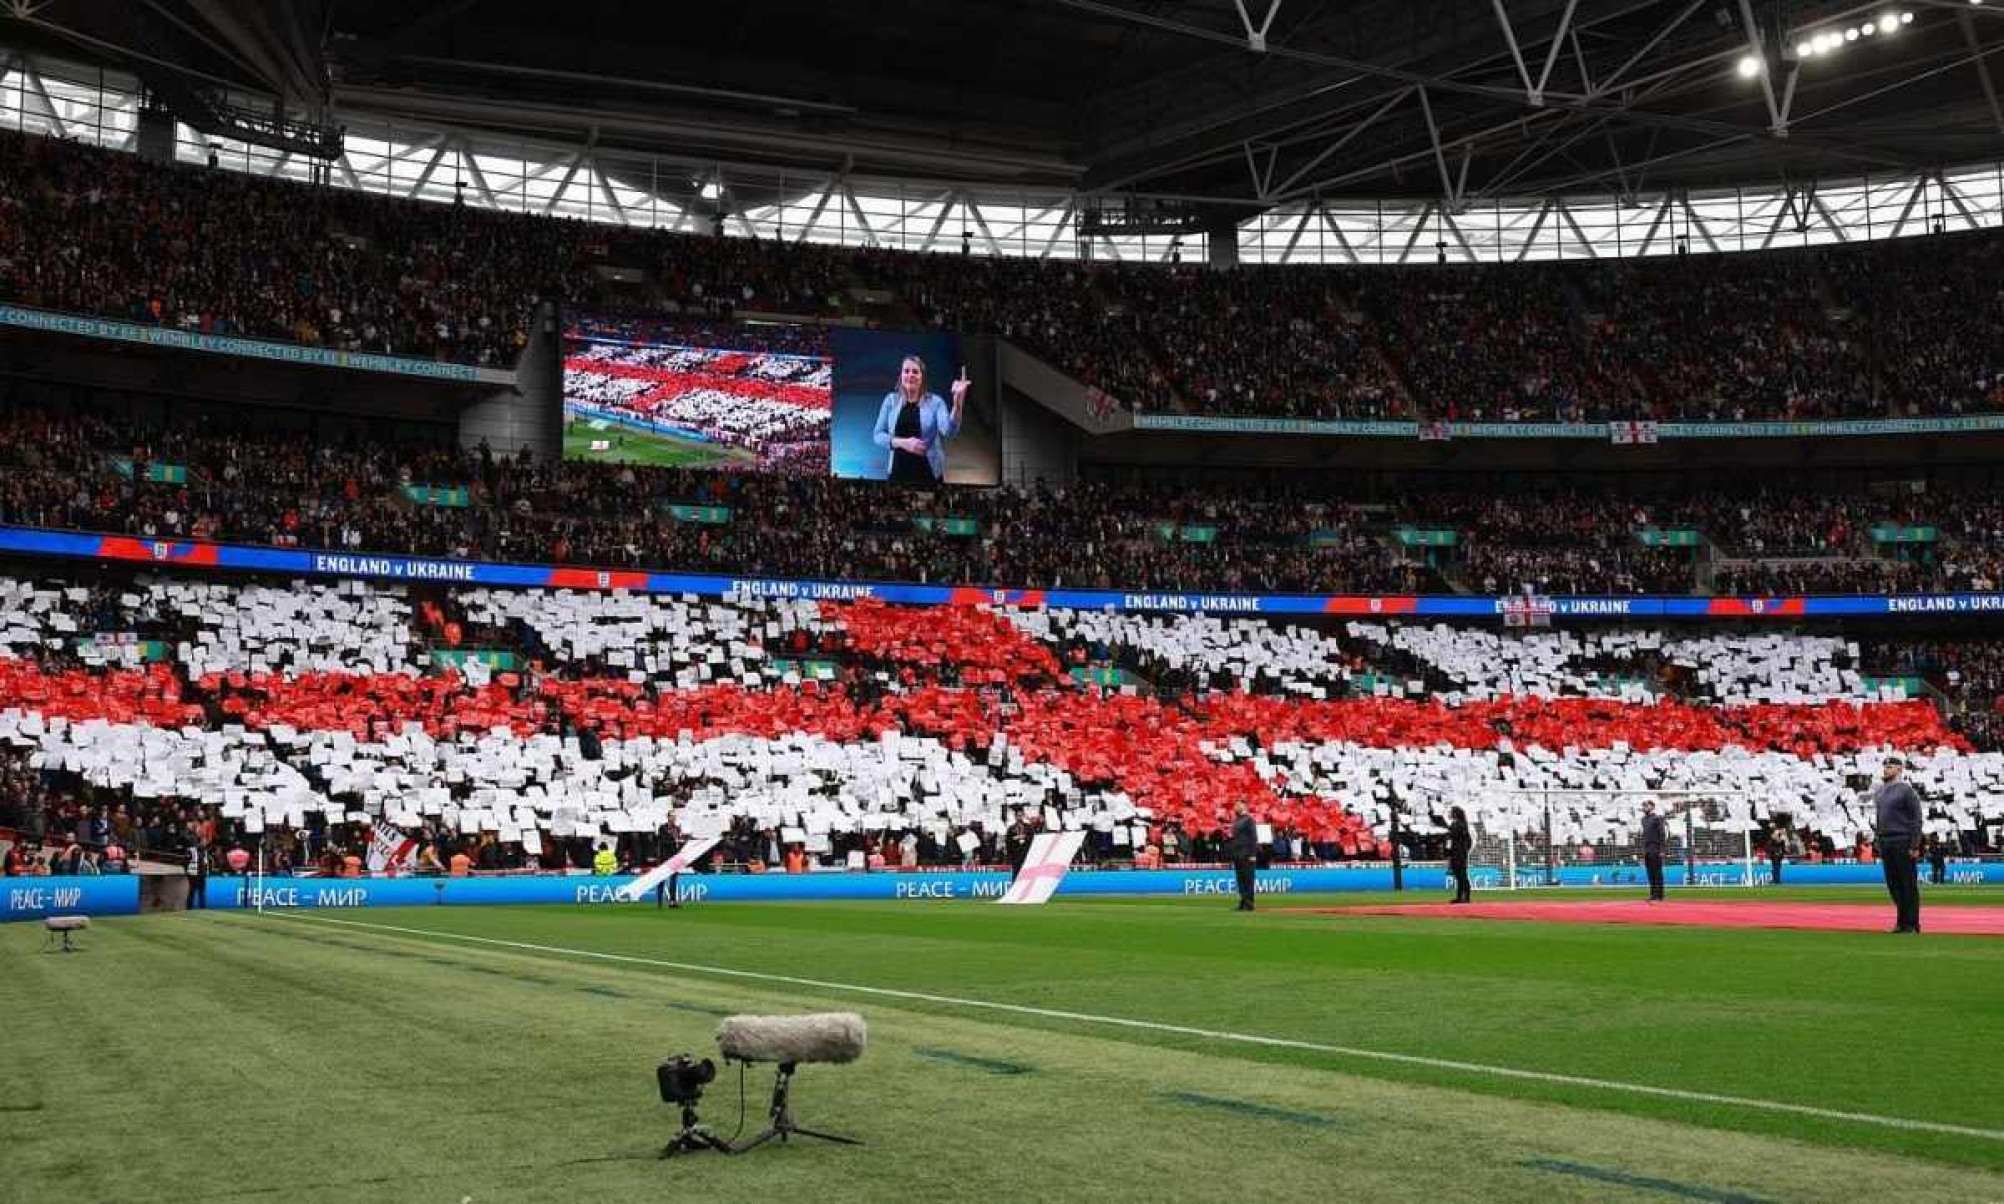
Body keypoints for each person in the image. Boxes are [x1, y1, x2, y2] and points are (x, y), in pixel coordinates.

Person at [871, 356, 968, 483]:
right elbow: (877, 435)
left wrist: (957, 404)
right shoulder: (891, 400)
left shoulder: (936, 402)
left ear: (922, 377)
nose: (910, 375)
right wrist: (903, 443)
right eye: (906, 371)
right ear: (901, 376)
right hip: (897, 471)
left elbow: (949, 431)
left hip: (928, 472)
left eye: (915, 372)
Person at [1872, 756, 1923, 933]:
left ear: (1900, 769)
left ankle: (1912, 923)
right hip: (1886, 841)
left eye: (1890, 766)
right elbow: (1879, 820)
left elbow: (1916, 819)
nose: (1886, 769)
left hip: (1902, 839)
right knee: (1893, 884)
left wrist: (1915, 844)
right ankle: (1901, 921)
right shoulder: (1880, 792)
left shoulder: (1906, 791)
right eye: (1885, 765)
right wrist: (1878, 840)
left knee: (1907, 883)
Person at [1228, 801, 1258, 912]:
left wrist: (1252, 854)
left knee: (1248, 879)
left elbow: (1253, 838)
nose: (1235, 807)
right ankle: (1243, 900)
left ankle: (1249, 903)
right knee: (1240, 879)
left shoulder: (1249, 820)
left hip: (1247, 854)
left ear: (1244, 807)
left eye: (1237, 805)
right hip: (1238, 855)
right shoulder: (1237, 820)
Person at [1640, 800, 1667, 902]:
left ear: (1652, 807)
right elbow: (1644, 836)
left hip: (1655, 848)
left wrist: (1662, 849)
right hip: (1647, 849)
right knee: (1650, 872)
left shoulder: (1657, 818)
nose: (1644, 807)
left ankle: (1659, 894)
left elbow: (1662, 834)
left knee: (1657, 872)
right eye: (1643, 806)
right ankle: (1653, 894)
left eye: (1646, 805)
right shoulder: (1643, 820)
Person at [1447, 805, 1472, 904]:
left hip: (1458, 853)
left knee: (1461, 875)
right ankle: (1461, 896)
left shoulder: (1458, 825)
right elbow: (1468, 840)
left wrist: (1449, 851)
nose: (1449, 814)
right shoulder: (1461, 825)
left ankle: (1465, 896)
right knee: (1459, 875)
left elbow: (1451, 839)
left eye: (1451, 812)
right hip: (1459, 852)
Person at [185, 840, 208, 910]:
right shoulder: (191, 850)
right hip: (194, 874)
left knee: (200, 892)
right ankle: (190, 908)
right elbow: (185, 861)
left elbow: (205, 863)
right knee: (193, 891)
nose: (204, 843)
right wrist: (188, 872)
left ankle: (201, 908)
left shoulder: (204, 851)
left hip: (200, 874)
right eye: (203, 842)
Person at [1767, 821, 1789, 885]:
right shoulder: (1775, 834)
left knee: (1777, 867)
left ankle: (1777, 880)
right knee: (1775, 867)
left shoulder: (1780, 834)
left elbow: (1780, 842)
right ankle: (1775, 879)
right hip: (1774, 853)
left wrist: (1781, 835)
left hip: (1777, 853)